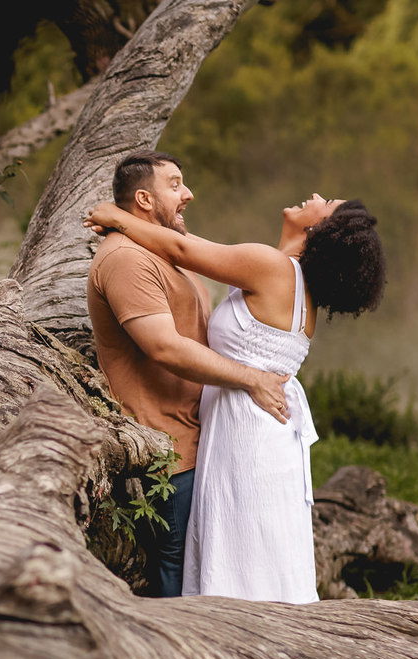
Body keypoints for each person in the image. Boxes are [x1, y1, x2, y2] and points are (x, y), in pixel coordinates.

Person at [84, 183, 387, 604]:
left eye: (326, 203)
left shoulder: (271, 269)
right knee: (256, 552)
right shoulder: (293, 282)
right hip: (263, 431)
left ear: (323, 231)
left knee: (241, 554)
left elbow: (184, 251)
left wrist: (120, 219)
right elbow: (269, 266)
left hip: (248, 435)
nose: (316, 195)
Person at [84, 151, 293, 598]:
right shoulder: (126, 259)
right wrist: (251, 377)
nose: (188, 193)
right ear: (143, 198)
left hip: (199, 444)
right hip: (166, 455)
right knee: (175, 583)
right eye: (176, 184)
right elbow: (164, 347)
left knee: (211, 573)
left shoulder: (160, 251)